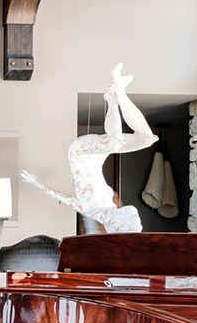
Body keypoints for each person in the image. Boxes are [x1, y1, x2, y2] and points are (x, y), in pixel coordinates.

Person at [21, 64, 158, 234]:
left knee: (114, 143)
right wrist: (78, 181)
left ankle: (114, 97)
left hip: (80, 153)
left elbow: (63, 197)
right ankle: (117, 94)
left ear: (114, 225)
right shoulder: (110, 204)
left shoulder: (89, 209)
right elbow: (94, 183)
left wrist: (36, 183)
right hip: (98, 156)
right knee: (146, 140)